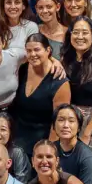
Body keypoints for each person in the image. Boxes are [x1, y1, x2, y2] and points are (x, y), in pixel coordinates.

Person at [0, 25, 61, 184]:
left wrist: (54, 60)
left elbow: (38, 54)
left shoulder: (14, 55)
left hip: (11, 114)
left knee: (15, 154)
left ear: (3, 44)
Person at [10, 33, 72, 171]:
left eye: (37, 50)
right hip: (17, 136)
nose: (33, 54)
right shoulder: (23, 69)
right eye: (29, 50)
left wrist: (47, 150)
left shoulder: (59, 82)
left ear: (48, 51)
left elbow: (59, 121)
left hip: (42, 138)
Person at [62, 17, 92, 159]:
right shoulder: (64, 61)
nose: (80, 37)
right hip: (69, 119)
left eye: (85, 32)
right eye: (76, 32)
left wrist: (88, 131)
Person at [24, 140, 90, 184]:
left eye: (49, 157)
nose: (44, 161)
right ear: (33, 161)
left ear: (57, 161)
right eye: (40, 157)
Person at [53, 104, 92, 184]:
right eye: (61, 120)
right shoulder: (50, 150)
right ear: (53, 126)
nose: (65, 125)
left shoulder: (87, 156)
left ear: (79, 127)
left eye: (71, 121)